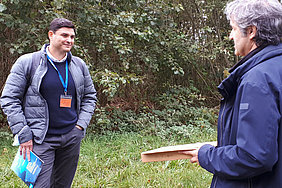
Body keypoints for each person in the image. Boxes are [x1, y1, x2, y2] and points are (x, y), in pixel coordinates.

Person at [180, 0, 282, 187]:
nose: (230, 36)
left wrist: (206, 154)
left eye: (233, 29)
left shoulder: (258, 80)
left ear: (251, 31)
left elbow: (254, 156)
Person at [0, 18, 97, 187]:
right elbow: (9, 98)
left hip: (70, 138)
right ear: (51, 35)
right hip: (39, 140)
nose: (69, 40)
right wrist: (23, 133)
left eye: (72, 37)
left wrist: (80, 126)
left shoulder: (78, 65)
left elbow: (90, 97)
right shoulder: (27, 62)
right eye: (64, 35)